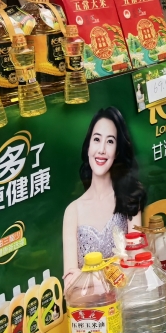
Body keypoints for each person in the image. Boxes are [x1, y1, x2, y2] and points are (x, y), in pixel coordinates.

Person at [63, 107, 145, 287]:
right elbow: (69, 283)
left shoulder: (129, 199)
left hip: (126, 298)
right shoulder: (72, 211)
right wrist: (115, 272)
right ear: (88, 146)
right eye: (97, 139)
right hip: (88, 304)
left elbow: (137, 263)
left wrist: (87, 279)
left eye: (110, 141)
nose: (101, 149)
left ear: (117, 151)